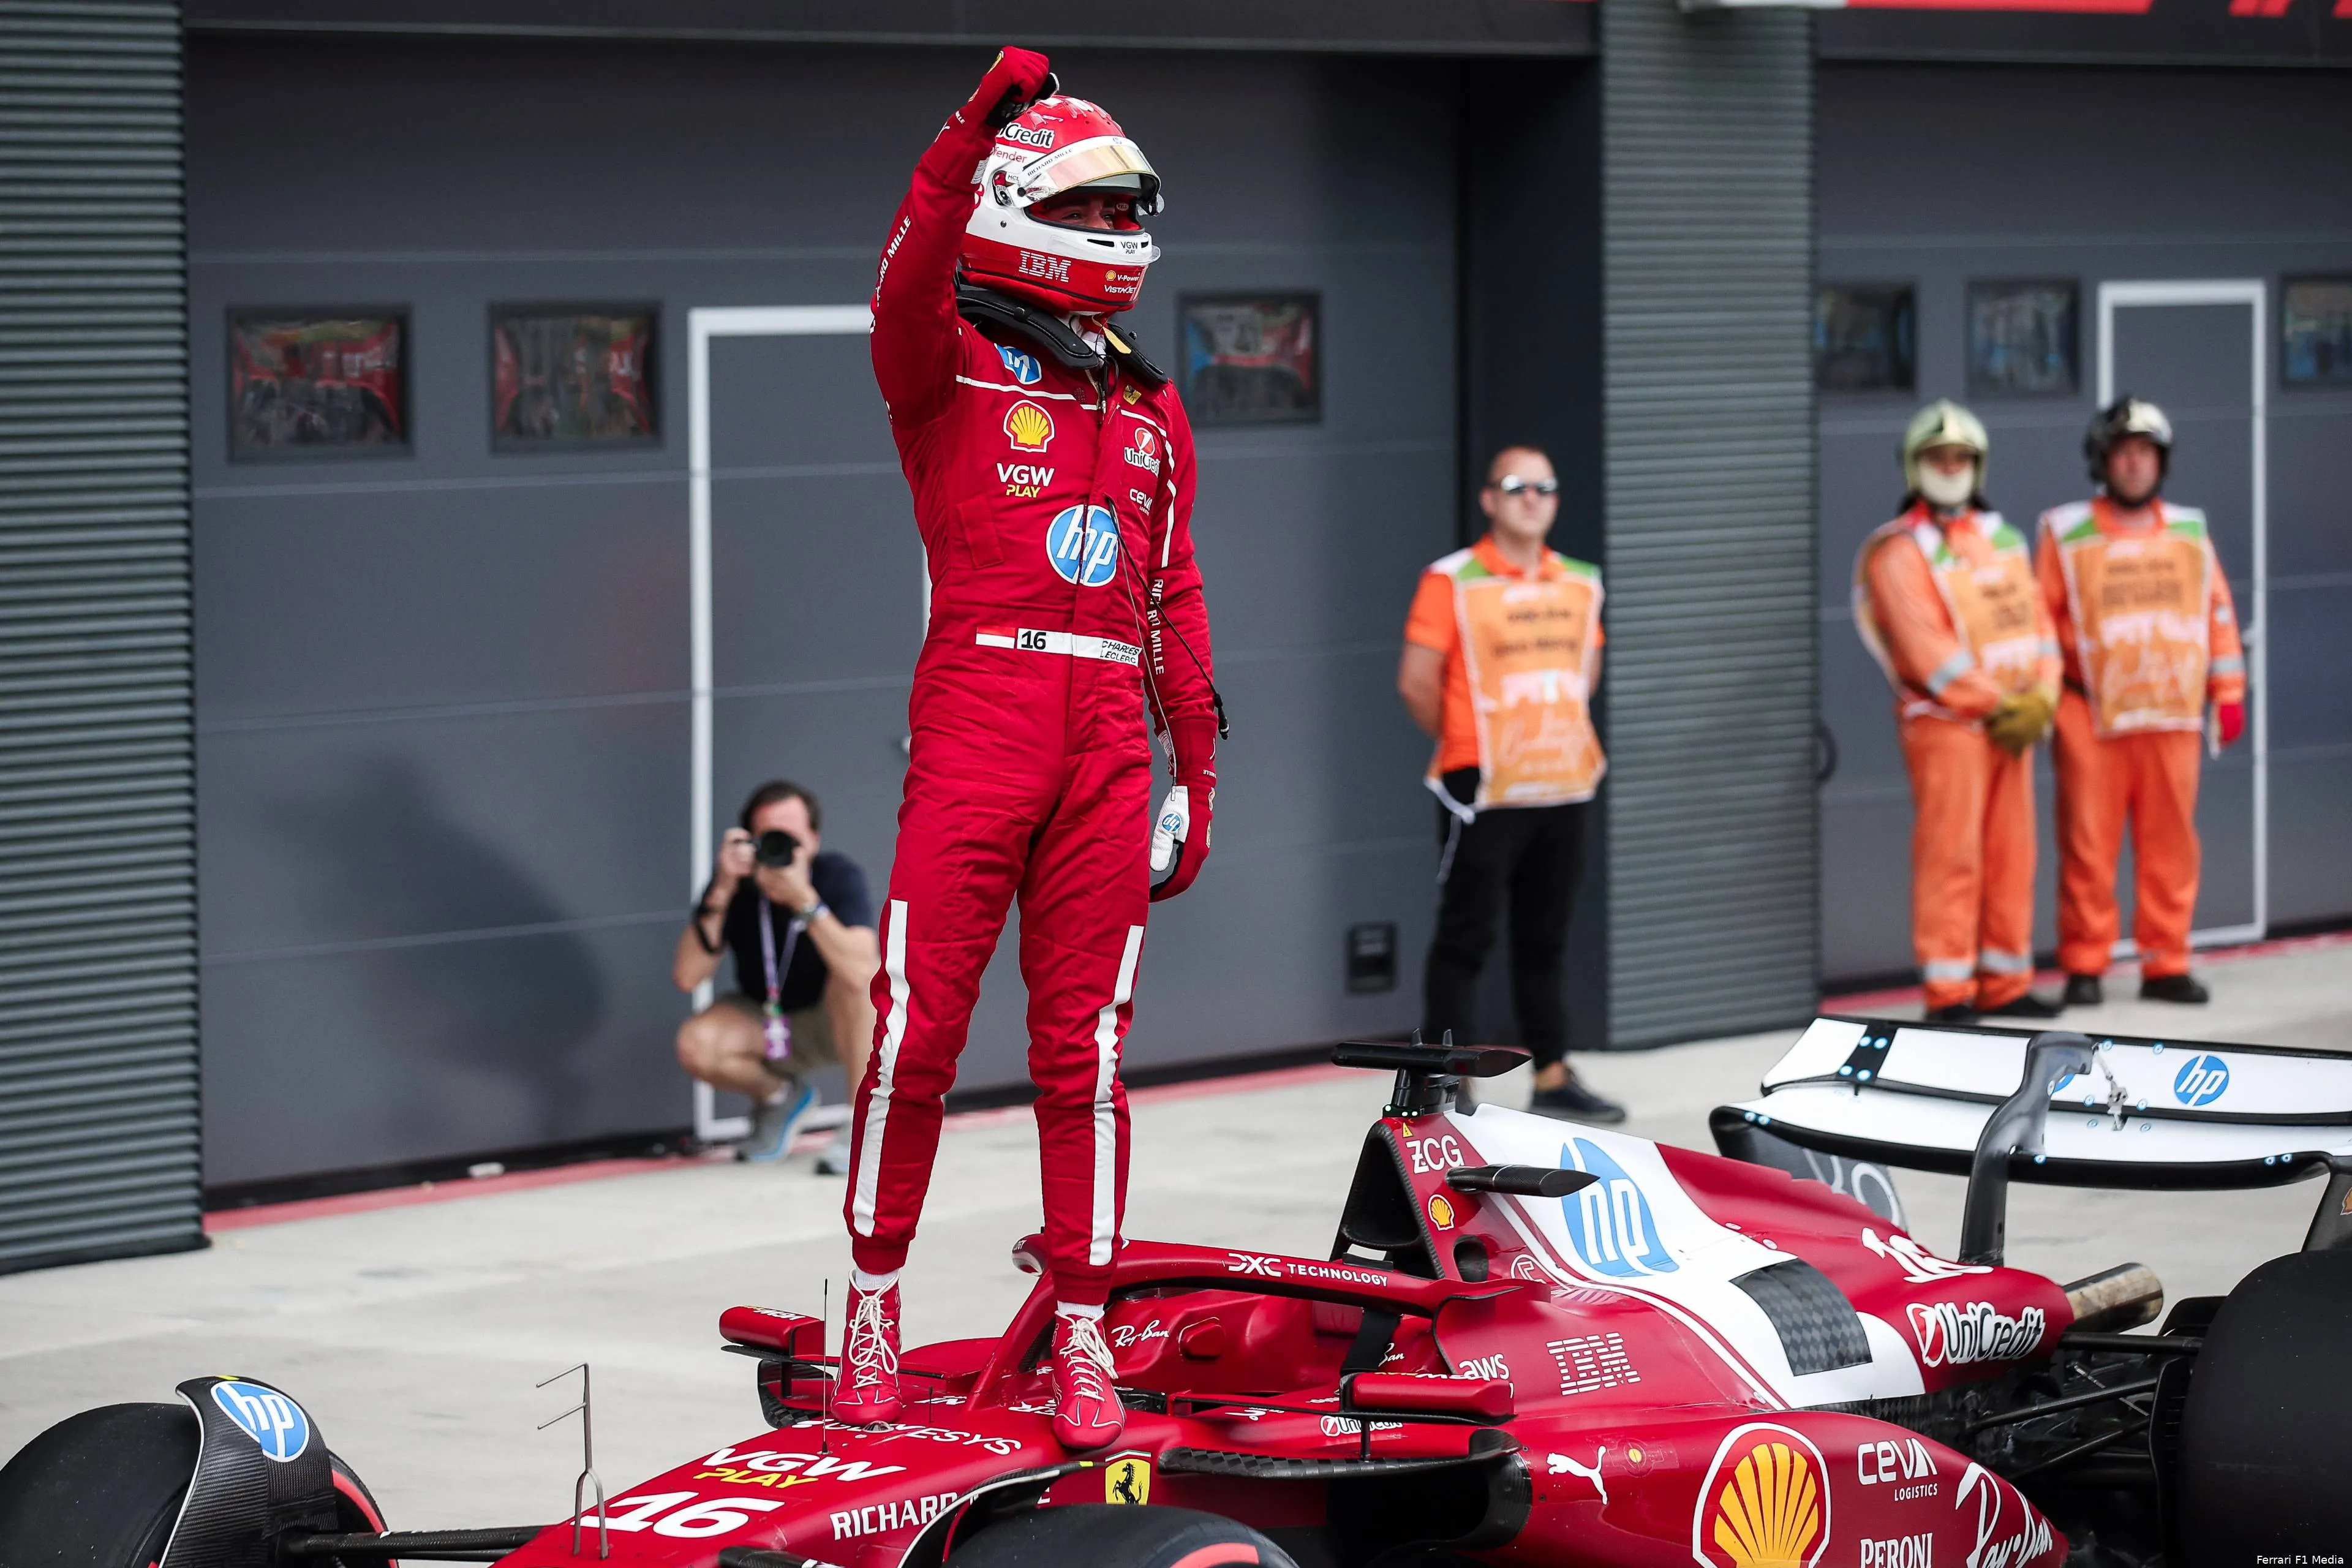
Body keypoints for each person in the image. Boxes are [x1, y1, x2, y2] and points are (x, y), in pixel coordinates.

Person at [839, 48, 1221, 1450]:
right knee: (915, 1031)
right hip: (978, 718)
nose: (1121, 234)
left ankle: (1084, 1333)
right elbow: (898, 285)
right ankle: (869, 1309)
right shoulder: (942, 360)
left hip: (1109, 741)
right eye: (1094, 210)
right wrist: (964, 132)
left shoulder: (1152, 402)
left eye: (1129, 213)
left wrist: (1199, 771)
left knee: (1088, 1053)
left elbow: (1175, 593)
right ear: (1013, 205)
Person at [1399, 444, 1623, 1124]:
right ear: (1490, 500)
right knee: (1464, 938)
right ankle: (1446, 1080)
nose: (1533, 498)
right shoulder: (1451, 579)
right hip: (1485, 787)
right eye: (1518, 486)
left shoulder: (1580, 581)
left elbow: (1584, 675)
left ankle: (1552, 1073)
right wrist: (1468, 744)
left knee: (1545, 939)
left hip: (1562, 783)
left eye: (1545, 487)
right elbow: (1417, 683)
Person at [1852, 402, 2064, 1024]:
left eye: (1961, 457)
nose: (1950, 467)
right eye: (1937, 457)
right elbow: (1928, 653)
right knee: (1952, 857)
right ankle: (1949, 993)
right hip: (1949, 728)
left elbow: (2039, 625)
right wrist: (2004, 703)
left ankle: (2005, 982)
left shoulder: (2004, 539)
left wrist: (2044, 696)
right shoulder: (1899, 551)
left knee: (2012, 855)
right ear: (1914, 466)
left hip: (2014, 725)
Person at [2038, 398, 2245, 1006]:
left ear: (2162, 462)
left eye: (2146, 453)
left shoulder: (2189, 532)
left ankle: (2166, 962)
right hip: (2090, 715)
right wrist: (2043, 698)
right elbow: (2040, 620)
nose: (2134, 464)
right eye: (2123, 452)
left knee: (2171, 846)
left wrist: (2229, 692)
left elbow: (2217, 613)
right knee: (2087, 846)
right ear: (2102, 461)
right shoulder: (2065, 531)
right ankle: (2085, 964)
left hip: (2172, 715)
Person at [673, 781, 878, 1168]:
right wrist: (721, 888)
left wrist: (803, 900)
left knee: (863, 979)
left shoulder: (835, 875)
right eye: (770, 839)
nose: (781, 849)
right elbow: (687, 977)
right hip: (767, 1021)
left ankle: (867, 1121)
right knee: (697, 1044)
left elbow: (861, 968)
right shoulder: (735, 887)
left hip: (836, 1021)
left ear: (814, 841)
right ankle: (781, 1098)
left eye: (791, 839)